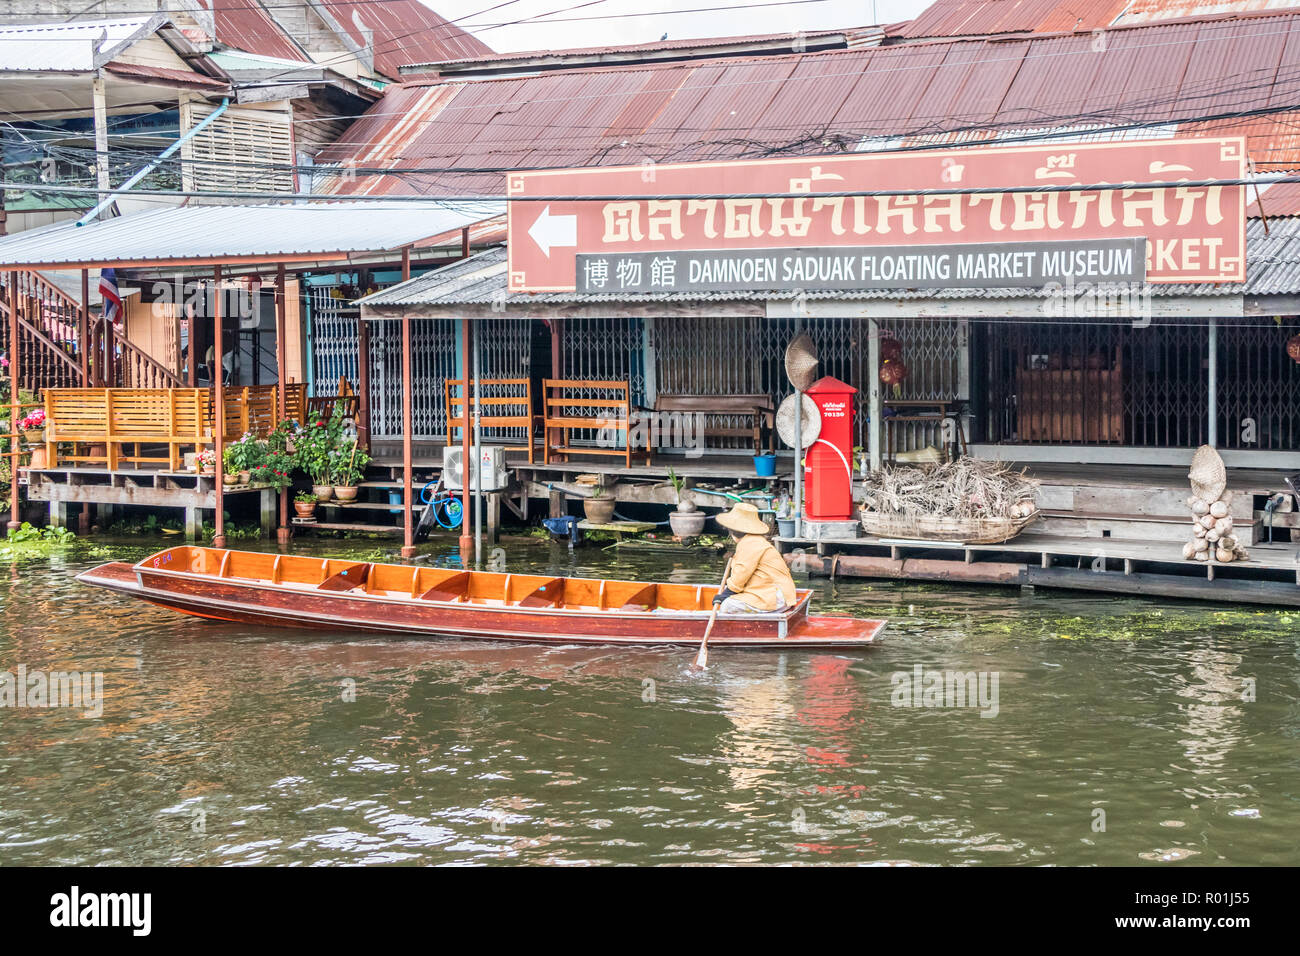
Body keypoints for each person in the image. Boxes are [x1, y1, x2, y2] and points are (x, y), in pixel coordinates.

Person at [712, 502, 797, 613]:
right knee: (730, 599)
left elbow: (741, 574)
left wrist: (726, 594)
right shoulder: (755, 541)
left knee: (727, 605)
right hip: (775, 594)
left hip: (775, 598)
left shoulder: (749, 543)